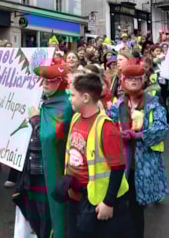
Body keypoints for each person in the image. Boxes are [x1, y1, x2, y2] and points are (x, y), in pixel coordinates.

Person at [61, 72, 131, 238]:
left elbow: (118, 167)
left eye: (72, 95)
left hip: (98, 203)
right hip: (76, 198)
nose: (69, 99)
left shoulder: (106, 127)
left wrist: (108, 202)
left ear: (85, 98)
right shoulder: (76, 117)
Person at [106, 63, 168, 238]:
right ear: (123, 81)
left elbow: (162, 129)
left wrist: (138, 135)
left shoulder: (153, 102)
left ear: (143, 80)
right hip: (120, 164)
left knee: (135, 209)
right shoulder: (118, 104)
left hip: (142, 166)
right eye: (129, 78)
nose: (133, 82)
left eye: (137, 78)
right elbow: (106, 127)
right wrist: (118, 133)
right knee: (119, 207)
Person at [13, 61, 72, 238]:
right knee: (32, 217)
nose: (45, 83)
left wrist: (36, 120)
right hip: (30, 171)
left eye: (51, 80)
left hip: (48, 174)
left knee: (48, 219)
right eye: (43, 79)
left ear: (61, 81)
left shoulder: (65, 105)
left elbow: (49, 137)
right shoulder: (39, 99)